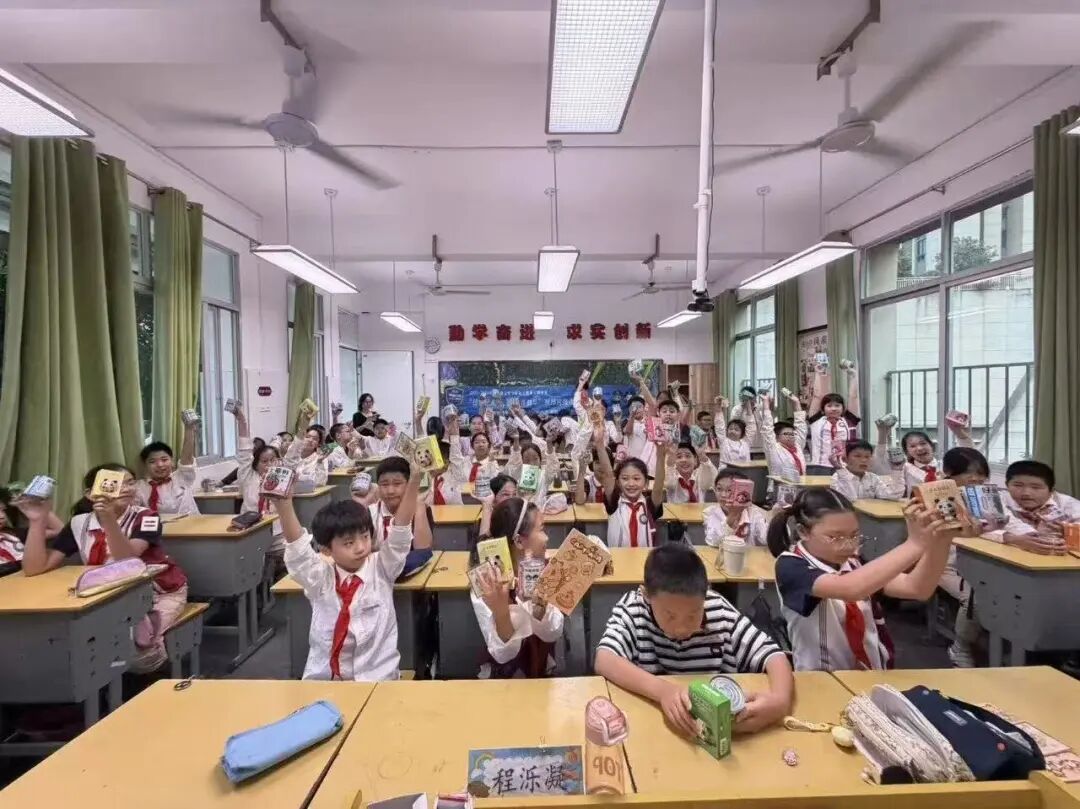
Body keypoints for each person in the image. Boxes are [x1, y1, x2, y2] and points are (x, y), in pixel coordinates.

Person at [595, 543, 793, 736]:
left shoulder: (718, 611)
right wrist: (663, 691)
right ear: (646, 595)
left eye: (693, 615)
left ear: (705, 595)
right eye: (670, 616)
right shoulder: (634, 610)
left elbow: (773, 655)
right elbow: (604, 659)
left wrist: (780, 701)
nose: (681, 628)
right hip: (654, 729)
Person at [20, 465, 188, 673]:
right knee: (82, 640)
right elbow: (35, 568)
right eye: (115, 483)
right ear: (90, 494)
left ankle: (154, 673)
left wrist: (108, 519)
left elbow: (128, 562)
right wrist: (38, 520)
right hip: (106, 595)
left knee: (140, 652)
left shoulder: (148, 517)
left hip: (158, 594)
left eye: (130, 482)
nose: (126, 488)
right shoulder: (79, 523)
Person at [770, 488, 955, 672]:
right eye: (834, 537)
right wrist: (915, 544)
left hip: (870, 674)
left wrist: (942, 540)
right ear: (803, 532)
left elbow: (917, 588)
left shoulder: (853, 563)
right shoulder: (791, 566)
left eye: (854, 535)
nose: (848, 545)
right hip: (822, 679)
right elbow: (851, 589)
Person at [276, 460, 421, 681]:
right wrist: (284, 505)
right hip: (326, 680)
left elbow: (400, 531)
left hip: (378, 679)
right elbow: (299, 551)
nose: (361, 547)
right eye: (348, 543)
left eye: (365, 537)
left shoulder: (382, 568)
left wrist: (415, 481)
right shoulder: (321, 578)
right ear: (326, 549)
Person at [938, 446, 1043, 668]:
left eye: (980, 473)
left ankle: (1014, 647)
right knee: (976, 595)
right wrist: (1008, 538)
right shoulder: (940, 496)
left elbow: (1009, 522)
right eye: (969, 473)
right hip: (949, 564)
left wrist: (1034, 536)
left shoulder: (988, 494)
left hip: (990, 561)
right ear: (948, 472)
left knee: (1021, 592)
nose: (976, 478)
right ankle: (960, 647)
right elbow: (959, 533)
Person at [470, 497, 565, 678]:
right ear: (519, 541)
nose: (547, 538)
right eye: (542, 529)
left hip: (542, 672)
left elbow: (553, 632)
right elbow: (503, 655)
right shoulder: (486, 581)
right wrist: (501, 613)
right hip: (503, 680)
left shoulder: (547, 570)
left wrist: (538, 606)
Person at [600, 429, 668, 548]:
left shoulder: (649, 504)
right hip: (618, 558)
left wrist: (660, 454)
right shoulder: (615, 502)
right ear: (618, 482)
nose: (631, 483)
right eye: (625, 478)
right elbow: (607, 474)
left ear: (646, 483)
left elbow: (659, 483)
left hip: (645, 558)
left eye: (636, 478)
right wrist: (599, 444)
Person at [134, 416, 200, 516]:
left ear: (172, 462)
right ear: (145, 465)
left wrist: (189, 429)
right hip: (158, 526)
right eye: (152, 462)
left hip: (191, 524)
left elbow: (187, 457)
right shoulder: (139, 487)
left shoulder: (181, 477)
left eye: (164, 460)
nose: (160, 465)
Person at [1003, 460, 1080, 539]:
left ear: (1051, 490)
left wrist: (1068, 532)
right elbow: (996, 527)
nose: (1026, 493)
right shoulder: (1001, 500)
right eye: (1018, 485)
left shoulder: (1069, 505)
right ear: (1007, 485)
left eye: (1036, 487)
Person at [806, 363, 861, 472]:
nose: (834, 409)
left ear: (843, 408)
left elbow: (853, 397)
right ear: (823, 408)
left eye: (837, 405)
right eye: (829, 406)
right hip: (820, 467)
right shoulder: (816, 420)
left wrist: (853, 376)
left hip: (845, 467)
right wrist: (818, 373)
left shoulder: (849, 421)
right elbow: (817, 396)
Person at [704, 469, 769, 546]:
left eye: (729, 490)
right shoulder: (711, 512)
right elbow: (712, 541)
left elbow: (766, 539)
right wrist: (730, 519)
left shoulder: (753, 512)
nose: (723, 495)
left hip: (748, 553)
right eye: (719, 489)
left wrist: (774, 517)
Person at [758, 391, 808, 481]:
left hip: (800, 486)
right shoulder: (773, 448)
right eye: (786, 434)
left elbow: (801, 426)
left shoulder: (797, 446)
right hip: (780, 488)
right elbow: (767, 429)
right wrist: (766, 403)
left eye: (792, 434)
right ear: (777, 437)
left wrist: (796, 403)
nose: (791, 436)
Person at [831, 440, 904, 501]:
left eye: (867, 456)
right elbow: (849, 499)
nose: (864, 460)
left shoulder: (873, 478)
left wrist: (897, 470)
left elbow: (893, 495)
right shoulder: (838, 478)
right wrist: (841, 470)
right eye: (857, 456)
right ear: (845, 459)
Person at [712, 396, 756, 465]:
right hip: (726, 471)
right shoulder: (724, 441)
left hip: (744, 471)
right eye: (730, 429)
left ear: (742, 432)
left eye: (736, 429)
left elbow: (751, 427)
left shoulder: (746, 442)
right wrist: (718, 406)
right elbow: (719, 425)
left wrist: (748, 405)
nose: (732, 431)